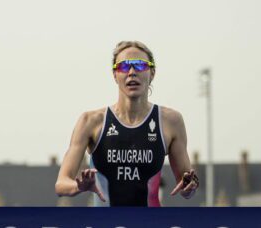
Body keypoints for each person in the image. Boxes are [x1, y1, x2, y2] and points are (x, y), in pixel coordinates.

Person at [55, 40, 199, 206]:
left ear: (152, 73)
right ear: (115, 75)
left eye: (140, 65)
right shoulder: (91, 121)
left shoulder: (171, 121)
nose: (132, 72)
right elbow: (61, 185)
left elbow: (187, 186)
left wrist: (190, 187)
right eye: (124, 66)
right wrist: (80, 187)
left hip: (149, 224)